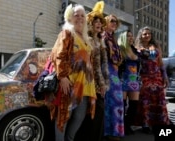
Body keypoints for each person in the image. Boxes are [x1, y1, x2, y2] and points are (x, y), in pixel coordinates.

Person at [49, 3, 97, 141]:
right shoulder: (67, 33)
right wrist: (62, 76)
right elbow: (59, 55)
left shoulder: (86, 38)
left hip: (85, 86)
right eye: (77, 15)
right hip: (69, 83)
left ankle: (69, 139)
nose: (80, 18)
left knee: (79, 117)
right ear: (70, 18)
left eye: (83, 16)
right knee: (63, 116)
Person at [134, 26, 170, 133]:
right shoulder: (137, 48)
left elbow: (160, 64)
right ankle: (145, 124)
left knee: (159, 102)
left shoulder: (155, 47)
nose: (147, 35)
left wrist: (165, 77)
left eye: (149, 33)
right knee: (145, 102)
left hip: (157, 78)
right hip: (144, 78)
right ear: (141, 35)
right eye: (145, 34)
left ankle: (159, 124)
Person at [86, 1, 109, 141]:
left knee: (98, 113)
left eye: (100, 21)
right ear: (90, 23)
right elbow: (91, 66)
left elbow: (104, 65)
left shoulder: (100, 41)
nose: (99, 24)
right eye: (96, 21)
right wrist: (99, 84)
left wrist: (105, 83)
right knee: (90, 115)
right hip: (89, 84)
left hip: (99, 84)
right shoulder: (87, 40)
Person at [101, 14, 124, 141]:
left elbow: (118, 59)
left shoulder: (113, 38)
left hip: (114, 74)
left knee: (116, 103)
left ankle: (115, 132)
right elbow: (107, 58)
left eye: (116, 21)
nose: (114, 23)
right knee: (111, 103)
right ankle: (110, 132)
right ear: (106, 23)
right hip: (107, 72)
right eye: (112, 21)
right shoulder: (104, 37)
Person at [117, 30, 140, 135]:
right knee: (121, 106)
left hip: (134, 81)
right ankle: (120, 127)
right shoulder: (120, 49)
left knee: (134, 106)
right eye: (128, 36)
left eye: (131, 36)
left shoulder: (135, 51)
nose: (131, 38)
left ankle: (127, 125)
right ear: (123, 38)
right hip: (121, 80)